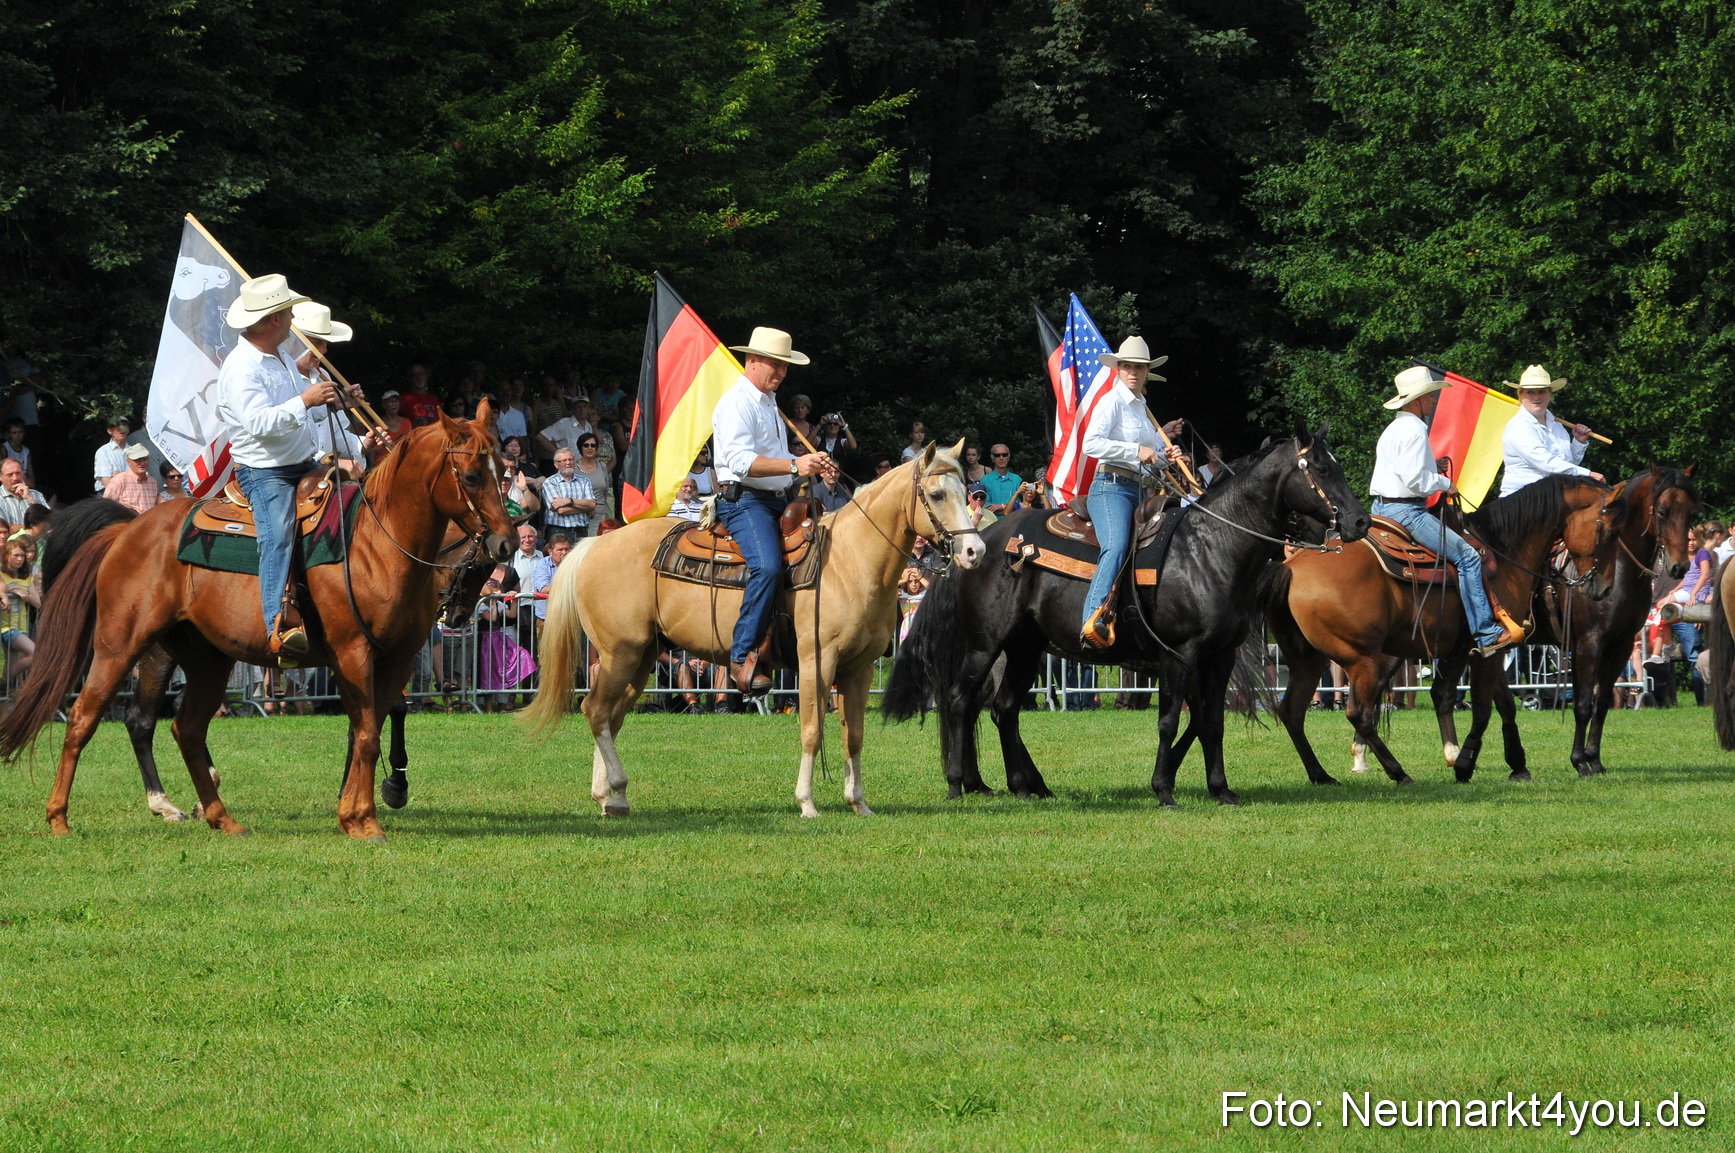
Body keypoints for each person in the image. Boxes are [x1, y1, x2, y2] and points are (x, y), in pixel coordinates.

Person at [215, 274, 356, 662]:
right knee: (277, 534)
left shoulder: (280, 360)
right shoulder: (241, 367)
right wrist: (307, 400)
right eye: (289, 312)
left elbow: (297, 411)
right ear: (275, 319)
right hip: (266, 472)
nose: (294, 319)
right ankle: (277, 627)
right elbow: (259, 423)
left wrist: (335, 401)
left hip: (304, 463)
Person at [712, 326, 834, 694]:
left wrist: (809, 462)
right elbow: (739, 461)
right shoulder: (737, 402)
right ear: (751, 360)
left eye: (784, 366)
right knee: (766, 567)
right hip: (743, 501)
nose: (779, 372)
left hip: (776, 499)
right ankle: (742, 654)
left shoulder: (769, 403)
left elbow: (779, 460)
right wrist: (796, 465)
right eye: (773, 364)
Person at [1371, 364, 1523, 657]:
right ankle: (1486, 633)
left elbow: (1402, 469)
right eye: (1429, 396)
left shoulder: (1394, 428)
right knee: (1468, 556)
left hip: (1381, 508)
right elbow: (1414, 480)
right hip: (1407, 513)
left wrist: (1432, 465)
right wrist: (1445, 483)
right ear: (1417, 400)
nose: (1432, 401)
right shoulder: (1415, 430)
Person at [1077, 336, 1183, 648]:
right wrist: (1135, 449)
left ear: (1147, 371)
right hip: (1110, 488)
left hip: (1140, 490)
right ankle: (1092, 619)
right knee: (1116, 545)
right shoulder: (1112, 401)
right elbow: (1090, 444)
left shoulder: (1143, 409)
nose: (1133, 372)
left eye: (1139, 367)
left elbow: (1149, 460)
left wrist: (1166, 456)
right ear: (1118, 369)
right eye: (1127, 366)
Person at [1497, 364, 1601, 495]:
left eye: (1542, 391)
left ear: (1549, 393)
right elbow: (1547, 464)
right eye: (1530, 392)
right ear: (1521, 394)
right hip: (1521, 498)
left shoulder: (1557, 425)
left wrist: (1579, 442)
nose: (1536, 397)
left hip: (1552, 496)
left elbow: (1567, 464)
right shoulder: (1518, 426)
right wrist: (1588, 474)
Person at [0, 536, 39, 690]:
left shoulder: (28, 576)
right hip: (6, 627)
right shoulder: (2, 574)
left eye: (22, 555)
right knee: (35, 653)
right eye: (16, 555)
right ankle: (4, 680)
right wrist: (13, 589)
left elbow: (38, 603)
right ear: (7, 556)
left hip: (21, 626)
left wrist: (26, 592)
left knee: (14, 668)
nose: (20, 559)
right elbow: (2, 589)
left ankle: (8, 692)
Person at [541, 448, 597, 538]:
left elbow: (592, 505)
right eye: (564, 460)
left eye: (570, 459)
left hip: (581, 531)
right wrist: (586, 508)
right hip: (558, 532)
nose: (568, 463)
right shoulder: (550, 482)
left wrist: (569, 501)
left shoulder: (585, 481)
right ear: (556, 464)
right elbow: (561, 510)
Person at [529, 532, 572, 624]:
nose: (564, 553)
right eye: (560, 550)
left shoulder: (574, 565)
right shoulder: (542, 565)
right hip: (546, 619)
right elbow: (544, 589)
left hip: (570, 617)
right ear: (550, 551)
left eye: (567, 549)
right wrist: (568, 585)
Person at [104, 444, 160, 513]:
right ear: (128, 462)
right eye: (137, 460)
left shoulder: (152, 482)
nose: (142, 463)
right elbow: (105, 506)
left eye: (144, 459)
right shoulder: (119, 480)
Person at [0, 458, 49, 527]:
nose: (15, 478)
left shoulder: (36, 495)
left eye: (18, 473)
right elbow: (3, 528)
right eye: (10, 475)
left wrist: (30, 499)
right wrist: (34, 528)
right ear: (0, 477)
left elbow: (49, 522)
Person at [980, 444, 1023, 515]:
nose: (1001, 458)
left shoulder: (1017, 479)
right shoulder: (985, 480)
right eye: (997, 455)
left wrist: (1001, 506)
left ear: (1008, 457)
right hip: (994, 521)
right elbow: (986, 508)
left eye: (1004, 455)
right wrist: (1008, 510)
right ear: (992, 459)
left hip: (1015, 520)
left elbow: (1022, 505)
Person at [93, 416, 131, 493]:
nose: (122, 429)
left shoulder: (134, 451)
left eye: (124, 425)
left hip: (131, 493)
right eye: (117, 426)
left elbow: (142, 477)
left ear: (128, 430)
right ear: (110, 431)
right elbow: (107, 482)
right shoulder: (103, 452)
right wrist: (130, 478)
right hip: (107, 494)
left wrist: (118, 477)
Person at [398, 363, 443, 427]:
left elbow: (440, 422)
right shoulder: (403, 399)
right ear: (410, 378)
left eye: (421, 373)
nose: (418, 377)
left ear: (426, 376)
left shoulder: (434, 399)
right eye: (414, 374)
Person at [510, 524, 545, 588]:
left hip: (540, 595)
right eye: (523, 537)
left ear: (536, 538)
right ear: (517, 539)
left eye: (530, 536)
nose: (527, 540)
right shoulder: (511, 558)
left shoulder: (543, 557)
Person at [3, 419, 34, 488]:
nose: (18, 435)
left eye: (20, 432)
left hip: (26, 483)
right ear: (9, 434)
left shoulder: (26, 451)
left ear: (24, 432)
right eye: (14, 433)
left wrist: (29, 482)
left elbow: (31, 475)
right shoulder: (4, 449)